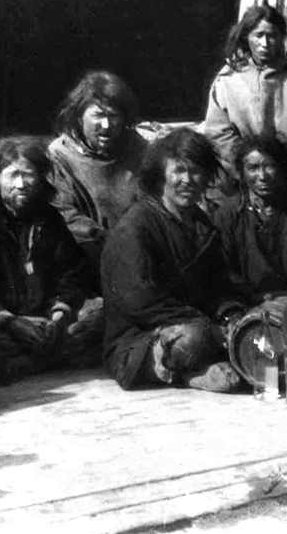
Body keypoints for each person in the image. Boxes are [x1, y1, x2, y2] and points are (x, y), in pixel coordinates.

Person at [102, 128, 246, 392]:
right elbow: (139, 300)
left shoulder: (204, 226)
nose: (188, 180)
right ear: (161, 177)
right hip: (138, 342)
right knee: (192, 340)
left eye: (196, 171)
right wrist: (208, 327)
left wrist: (231, 316)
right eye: (179, 171)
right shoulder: (136, 226)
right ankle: (186, 375)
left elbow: (218, 287)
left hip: (198, 324)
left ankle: (202, 367)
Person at [0, 136, 100, 381]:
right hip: (3, 320)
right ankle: (40, 358)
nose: (21, 184)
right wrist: (10, 321)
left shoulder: (49, 218)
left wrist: (59, 314)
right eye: (12, 175)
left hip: (47, 318)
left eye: (29, 174)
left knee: (98, 313)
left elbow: (73, 270)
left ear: (40, 178)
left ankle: (30, 360)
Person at [202, 4, 287, 200]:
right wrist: (245, 161)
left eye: (272, 35)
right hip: (240, 166)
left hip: (286, 164)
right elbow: (217, 130)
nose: (265, 43)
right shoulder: (228, 78)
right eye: (258, 35)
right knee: (213, 188)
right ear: (246, 37)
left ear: (280, 38)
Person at [48, 70, 147, 275]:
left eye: (113, 116)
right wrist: (110, 243)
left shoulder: (139, 148)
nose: (106, 125)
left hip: (139, 249)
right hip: (87, 255)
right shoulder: (60, 154)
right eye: (98, 115)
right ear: (79, 116)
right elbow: (65, 214)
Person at [213, 135, 287, 301]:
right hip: (243, 304)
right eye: (253, 168)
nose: (262, 176)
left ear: (281, 169)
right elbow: (223, 272)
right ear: (242, 172)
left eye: (269, 166)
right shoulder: (229, 215)